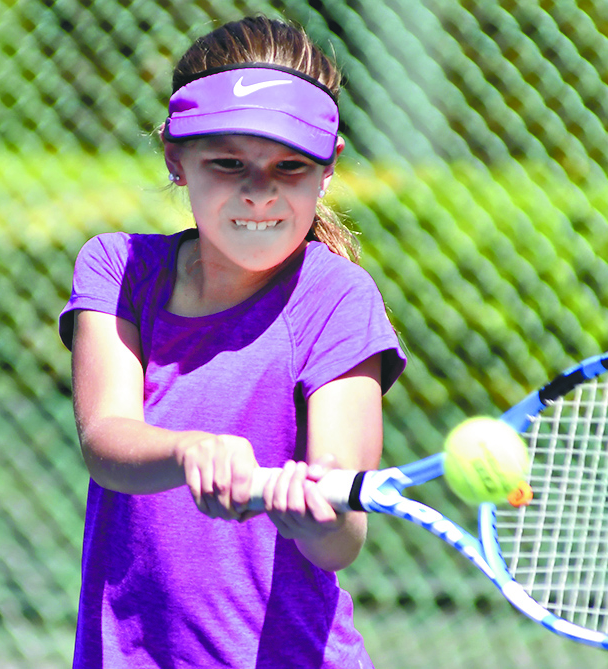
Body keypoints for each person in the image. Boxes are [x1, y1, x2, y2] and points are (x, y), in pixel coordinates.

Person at [58, 15, 406, 668]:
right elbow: (106, 438)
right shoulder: (117, 269)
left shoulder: (339, 300)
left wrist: (317, 513)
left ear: (327, 172)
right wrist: (191, 452)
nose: (259, 192)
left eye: (289, 166)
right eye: (228, 162)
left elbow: (340, 536)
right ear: (175, 158)